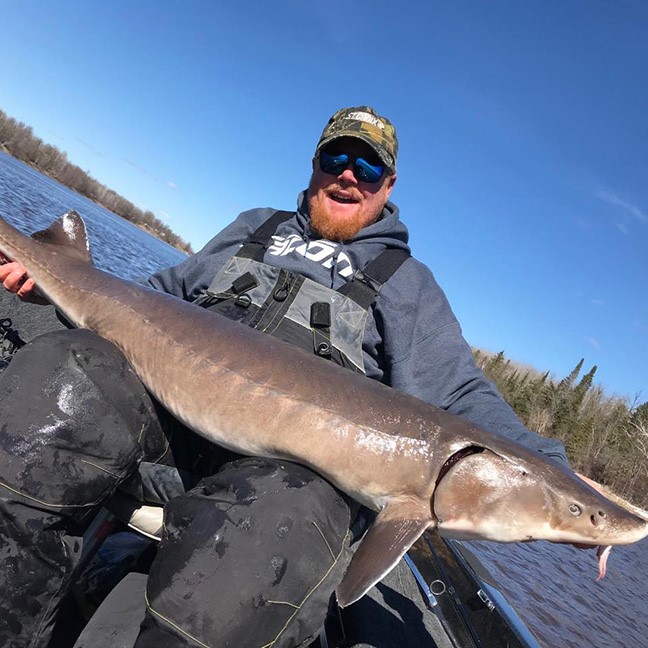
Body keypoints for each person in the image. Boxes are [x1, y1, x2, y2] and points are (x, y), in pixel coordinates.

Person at [0, 107, 570, 648]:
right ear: (315, 165)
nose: (348, 176)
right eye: (335, 159)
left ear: (387, 185)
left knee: (260, 553)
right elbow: (161, 297)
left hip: (281, 474)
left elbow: (461, 393)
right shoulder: (255, 226)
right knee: (56, 378)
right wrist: (52, 276)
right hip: (162, 415)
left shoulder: (407, 283)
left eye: (366, 167)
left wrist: (554, 471)